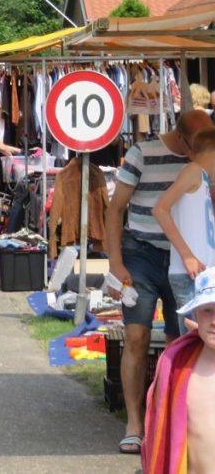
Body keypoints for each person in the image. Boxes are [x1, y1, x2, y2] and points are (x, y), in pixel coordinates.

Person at [105, 109, 211, 454]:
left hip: (183, 259)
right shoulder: (143, 153)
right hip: (142, 252)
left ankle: (172, 420)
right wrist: (116, 262)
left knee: (181, 339)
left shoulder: (203, 160)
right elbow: (115, 208)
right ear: (182, 138)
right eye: (199, 141)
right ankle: (134, 423)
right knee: (136, 335)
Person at [142, 266, 215, 473]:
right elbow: (160, 432)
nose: (214, 321)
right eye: (207, 311)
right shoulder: (177, 368)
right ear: (195, 316)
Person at [154, 129, 215, 335]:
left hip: (202, 276)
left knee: (202, 347)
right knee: (194, 346)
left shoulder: (204, 179)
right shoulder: (193, 171)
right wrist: (187, 255)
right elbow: (160, 209)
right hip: (191, 276)